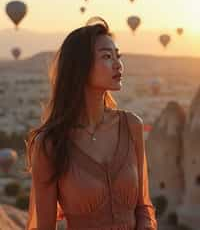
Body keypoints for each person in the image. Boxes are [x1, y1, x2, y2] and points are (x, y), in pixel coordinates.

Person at [25, 17, 157, 230]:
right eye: (107, 56)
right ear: (80, 66)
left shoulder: (132, 126)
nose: (118, 64)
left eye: (118, 56)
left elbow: (143, 207)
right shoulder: (50, 144)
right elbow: (45, 226)